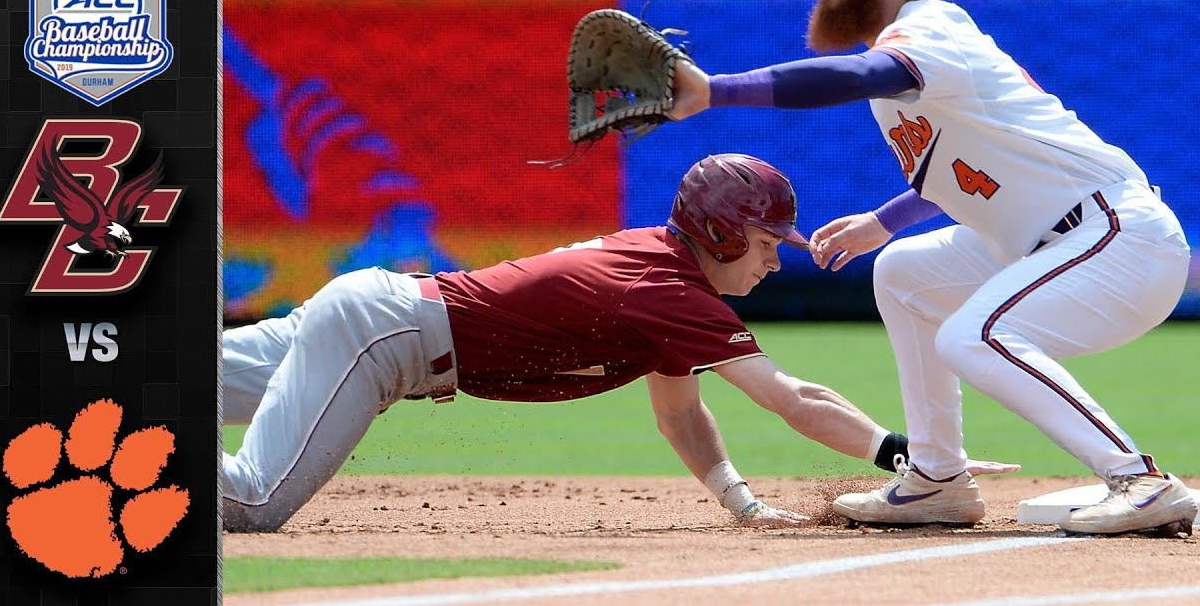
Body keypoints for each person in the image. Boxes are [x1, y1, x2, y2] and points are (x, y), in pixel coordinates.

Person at [665, 0, 1196, 536]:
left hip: (1117, 238)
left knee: (973, 335)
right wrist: (884, 222)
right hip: (1050, 242)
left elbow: (861, 74)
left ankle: (1140, 480)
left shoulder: (930, 30)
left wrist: (716, 90)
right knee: (904, 273)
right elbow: (966, 170)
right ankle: (938, 479)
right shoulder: (904, 52)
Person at [220, 153, 1015, 532]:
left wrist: (741, 503)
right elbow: (793, 399)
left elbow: (679, 414)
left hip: (375, 320)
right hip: (382, 340)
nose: (778, 255)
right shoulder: (670, 290)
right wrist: (909, 456)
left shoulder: (664, 275)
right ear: (718, 231)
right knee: (253, 502)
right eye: (767, 240)